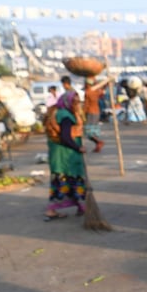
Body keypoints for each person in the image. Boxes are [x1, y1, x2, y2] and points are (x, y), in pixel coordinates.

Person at [44, 90, 87, 221]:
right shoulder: (66, 116)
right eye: (75, 102)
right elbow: (65, 137)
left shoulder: (57, 112)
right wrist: (78, 147)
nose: (77, 105)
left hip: (59, 154)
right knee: (65, 181)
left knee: (71, 182)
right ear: (68, 102)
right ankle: (51, 209)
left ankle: (81, 206)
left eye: (78, 102)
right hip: (65, 156)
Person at [83, 76, 112, 153]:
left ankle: (99, 142)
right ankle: (98, 143)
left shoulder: (88, 92)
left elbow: (86, 105)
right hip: (96, 112)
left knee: (88, 131)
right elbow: (102, 92)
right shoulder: (96, 92)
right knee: (92, 131)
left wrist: (82, 114)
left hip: (91, 112)